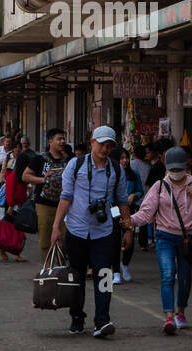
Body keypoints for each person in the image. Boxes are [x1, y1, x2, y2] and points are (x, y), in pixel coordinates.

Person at [51, 126, 133, 338]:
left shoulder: (116, 169)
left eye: (109, 146)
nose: (105, 149)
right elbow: (66, 197)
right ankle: (77, 316)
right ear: (92, 142)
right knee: (76, 277)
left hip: (104, 233)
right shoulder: (75, 165)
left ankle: (102, 320)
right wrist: (56, 227)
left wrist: (128, 229)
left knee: (104, 275)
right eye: (102, 144)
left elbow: (123, 201)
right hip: (77, 231)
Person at [131, 146, 192, 335]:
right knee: (168, 275)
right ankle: (169, 317)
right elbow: (146, 213)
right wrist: (129, 222)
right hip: (165, 237)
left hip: (189, 239)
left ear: (186, 167)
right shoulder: (159, 186)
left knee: (185, 277)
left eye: (180, 169)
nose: (177, 173)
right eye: (173, 170)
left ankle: (181, 312)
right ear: (167, 167)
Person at [24, 128, 71, 257]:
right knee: (45, 240)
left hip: (65, 205)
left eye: (63, 139)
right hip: (44, 204)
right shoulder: (39, 159)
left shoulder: (69, 160)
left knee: (65, 239)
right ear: (50, 141)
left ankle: (61, 269)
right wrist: (42, 180)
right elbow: (25, 176)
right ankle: (47, 269)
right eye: (59, 139)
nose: (62, 142)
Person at [112, 146, 145, 284]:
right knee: (114, 240)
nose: (124, 161)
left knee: (129, 238)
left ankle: (125, 264)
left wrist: (134, 195)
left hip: (130, 210)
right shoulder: (111, 173)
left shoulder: (134, 174)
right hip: (113, 209)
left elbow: (140, 190)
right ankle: (115, 272)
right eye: (121, 158)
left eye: (126, 158)